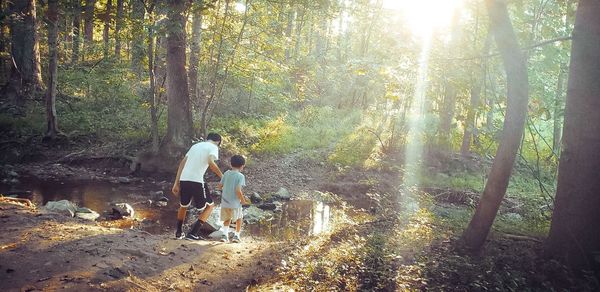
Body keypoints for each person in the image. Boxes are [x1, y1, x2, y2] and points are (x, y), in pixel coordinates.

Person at [172, 133, 223, 240]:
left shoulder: (195, 146)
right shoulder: (213, 147)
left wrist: (176, 183)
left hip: (184, 179)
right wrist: (222, 177)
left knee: (184, 206)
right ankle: (193, 233)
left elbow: (182, 163)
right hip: (197, 180)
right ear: (218, 142)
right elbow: (210, 162)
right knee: (210, 206)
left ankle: (178, 232)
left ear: (207, 139)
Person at [218, 155, 248, 243]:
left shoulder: (226, 173)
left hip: (225, 202)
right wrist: (242, 200)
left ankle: (224, 235)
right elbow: (238, 190)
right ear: (242, 166)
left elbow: (220, 186)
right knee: (239, 218)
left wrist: (226, 191)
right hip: (235, 203)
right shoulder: (240, 176)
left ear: (231, 164)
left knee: (227, 218)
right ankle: (236, 236)